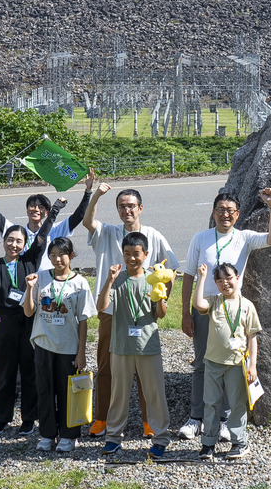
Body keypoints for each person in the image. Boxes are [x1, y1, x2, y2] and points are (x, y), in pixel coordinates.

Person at [175, 188, 271, 441]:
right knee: (202, 363)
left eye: (230, 211)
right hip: (203, 309)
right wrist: (186, 313)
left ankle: (224, 419)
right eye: (220, 210)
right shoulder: (200, 238)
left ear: (237, 214)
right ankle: (195, 418)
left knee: (230, 364)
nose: (225, 214)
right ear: (213, 212)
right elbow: (188, 275)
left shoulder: (244, 237)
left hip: (231, 311)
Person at [82, 181, 178, 437]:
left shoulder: (153, 235)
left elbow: (173, 270)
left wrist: (161, 297)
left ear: (140, 208)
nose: (127, 210)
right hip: (112, 311)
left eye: (131, 206)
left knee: (144, 370)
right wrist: (96, 196)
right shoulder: (108, 232)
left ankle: (149, 421)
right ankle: (103, 418)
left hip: (143, 312)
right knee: (106, 366)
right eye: (122, 206)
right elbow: (88, 222)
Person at [0, 197, 66, 435]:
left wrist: (54, 211)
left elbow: (43, 236)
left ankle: (29, 418)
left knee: (30, 371)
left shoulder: (30, 260)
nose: (14, 245)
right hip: (3, 323)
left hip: (28, 319)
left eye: (19, 241)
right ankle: (2, 418)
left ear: (25, 244)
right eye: (10, 240)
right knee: (5, 372)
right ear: (4, 241)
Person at [95, 232, 170, 460]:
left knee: (155, 393)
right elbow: (102, 306)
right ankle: (114, 438)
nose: (131, 258)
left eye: (136, 254)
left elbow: (161, 314)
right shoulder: (118, 278)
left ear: (145, 254)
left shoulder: (152, 278)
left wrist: (160, 298)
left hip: (148, 346)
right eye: (127, 253)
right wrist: (109, 279)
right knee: (119, 394)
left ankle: (160, 438)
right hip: (121, 347)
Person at [22, 236, 95, 453]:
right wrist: (29, 288)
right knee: (44, 390)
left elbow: (83, 321)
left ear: (71, 256)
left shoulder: (80, 283)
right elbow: (28, 311)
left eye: (61, 255)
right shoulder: (40, 278)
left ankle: (69, 435)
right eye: (52, 255)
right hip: (43, 344)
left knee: (67, 392)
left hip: (68, 346)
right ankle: (47, 434)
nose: (57, 260)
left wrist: (81, 352)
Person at [192, 262, 261, 459]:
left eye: (229, 278)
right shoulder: (214, 301)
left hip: (236, 364)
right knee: (210, 403)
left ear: (237, 278)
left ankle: (239, 442)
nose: (225, 283)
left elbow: (252, 336)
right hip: (213, 362)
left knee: (237, 404)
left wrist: (252, 364)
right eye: (220, 280)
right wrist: (202, 277)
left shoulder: (247, 305)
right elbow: (198, 304)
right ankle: (208, 443)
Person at [0, 164, 94, 272]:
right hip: (24, 280)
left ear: (46, 213)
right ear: (27, 210)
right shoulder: (17, 232)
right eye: (32, 206)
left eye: (41, 207)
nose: (36, 209)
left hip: (48, 281)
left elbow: (78, 216)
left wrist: (88, 192)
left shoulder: (55, 229)